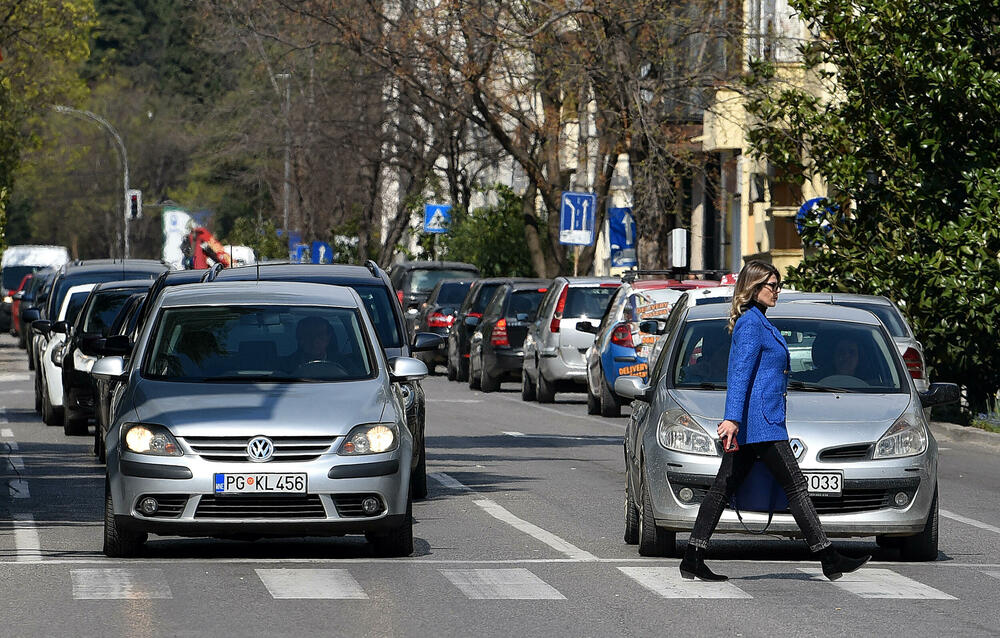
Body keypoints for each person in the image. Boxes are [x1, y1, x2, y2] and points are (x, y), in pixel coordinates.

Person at [678, 260, 870, 582]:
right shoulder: (751, 324)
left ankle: (692, 556)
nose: (776, 290)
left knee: (723, 487)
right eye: (771, 285)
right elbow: (740, 373)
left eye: (778, 285)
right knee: (794, 485)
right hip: (760, 423)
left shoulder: (759, 321)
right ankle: (827, 556)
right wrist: (732, 419)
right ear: (753, 287)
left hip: (761, 421)